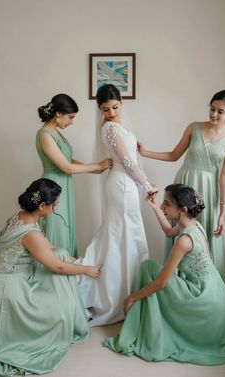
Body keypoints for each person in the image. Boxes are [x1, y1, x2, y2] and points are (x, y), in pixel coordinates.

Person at [105, 184, 225, 365]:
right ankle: (146, 320)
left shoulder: (184, 241)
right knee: (150, 268)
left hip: (203, 299)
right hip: (215, 290)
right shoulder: (194, 225)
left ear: (182, 210)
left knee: (148, 269)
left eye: (166, 204)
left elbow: (160, 284)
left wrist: (131, 298)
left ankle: (147, 328)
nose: (163, 207)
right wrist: (154, 206)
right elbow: (168, 231)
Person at [0, 178, 101, 376]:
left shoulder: (20, 216)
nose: (56, 208)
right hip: (10, 287)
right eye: (55, 204)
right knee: (57, 312)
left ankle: (70, 307)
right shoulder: (31, 233)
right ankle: (68, 311)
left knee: (60, 251)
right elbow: (58, 267)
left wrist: (71, 258)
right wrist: (87, 270)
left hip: (1, 277)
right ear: (43, 205)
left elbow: (48, 248)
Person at [77, 84, 158, 326]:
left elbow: (130, 155)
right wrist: (147, 185)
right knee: (122, 235)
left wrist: (138, 147)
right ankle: (114, 294)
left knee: (121, 235)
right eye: (105, 109)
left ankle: (128, 290)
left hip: (125, 184)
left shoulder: (119, 127)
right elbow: (127, 162)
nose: (111, 113)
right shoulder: (111, 128)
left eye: (115, 107)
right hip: (123, 185)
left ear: (121, 103)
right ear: (100, 110)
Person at [138, 90, 225, 284]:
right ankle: (176, 283)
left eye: (220, 111)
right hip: (186, 183)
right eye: (212, 109)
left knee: (207, 232)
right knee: (181, 230)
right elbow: (173, 155)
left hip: (209, 190)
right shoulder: (194, 128)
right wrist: (145, 153)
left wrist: (222, 212)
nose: (214, 114)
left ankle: (209, 287)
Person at [36, 93, 112, 257]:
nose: (71, 122)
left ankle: (66, 271)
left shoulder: (56, 133)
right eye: (70, 117)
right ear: (58, 114)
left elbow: (69, 160)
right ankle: (56, 271)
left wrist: (94, 169)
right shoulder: (45, 135)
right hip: (52, 186)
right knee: (57, 228)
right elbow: (66, 167)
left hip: (64, 186)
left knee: (66, 227)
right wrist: (97, 165)